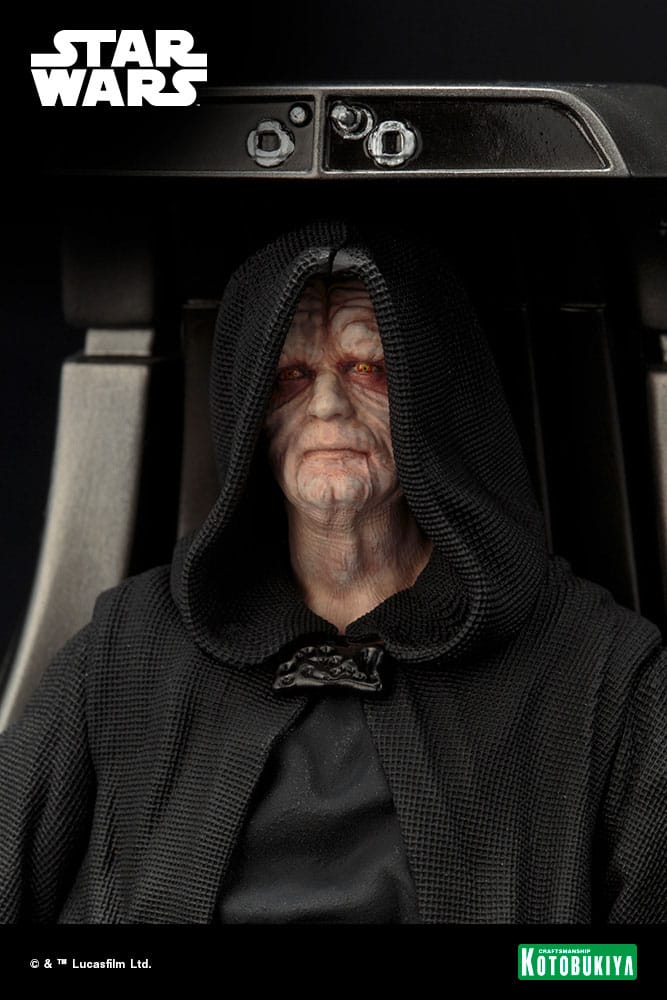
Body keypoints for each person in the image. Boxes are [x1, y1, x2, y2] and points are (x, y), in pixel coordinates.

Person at [1, 219, 666, 924]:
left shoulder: (601, 670)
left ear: (433, 399)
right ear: (253, 416)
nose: (325, 404)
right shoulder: (126, 651)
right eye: (290, 376)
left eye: (367, 369)